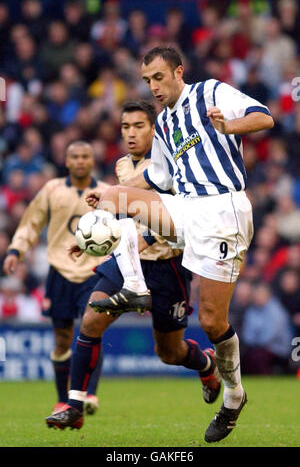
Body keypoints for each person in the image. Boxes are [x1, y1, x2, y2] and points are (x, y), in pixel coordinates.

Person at [85, 46, 274, 442]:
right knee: (118, 197)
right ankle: (135, 288)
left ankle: (235, 395)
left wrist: (230, 128)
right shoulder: (166, 122)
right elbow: (157, 177)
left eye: (158, 77)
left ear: (178, 72)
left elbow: (264, 117)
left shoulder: (210, 93)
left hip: (224, 210)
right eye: (146, 81)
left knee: (211, 321)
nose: (153, 87)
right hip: (186, 208)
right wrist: (108, 192)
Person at [45, 100, 221, 430]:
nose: (130, 133)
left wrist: (151, 240)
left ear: (154, 129)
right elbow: (122, 213)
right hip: (128, 263)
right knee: (90, 320)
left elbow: (183, 216)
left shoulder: (171, 166)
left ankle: (206, 365)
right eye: (125, 127)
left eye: (138, 126)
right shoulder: (123, 166)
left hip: (168, 266)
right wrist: (86, 238)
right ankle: (74, 406)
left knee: (169, 352)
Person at [3, 141, 106, 415]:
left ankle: (89, 394)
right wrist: (16, 250)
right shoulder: (52, 190)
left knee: (91, 328)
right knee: (62, 339)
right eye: (75, 156)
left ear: (92, 160)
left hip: (94, 272)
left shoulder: (107, 193)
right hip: (59, 271)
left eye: (86, 156)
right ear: (67, 161)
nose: (81, 161)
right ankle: (63, 399)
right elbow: (31, 222)